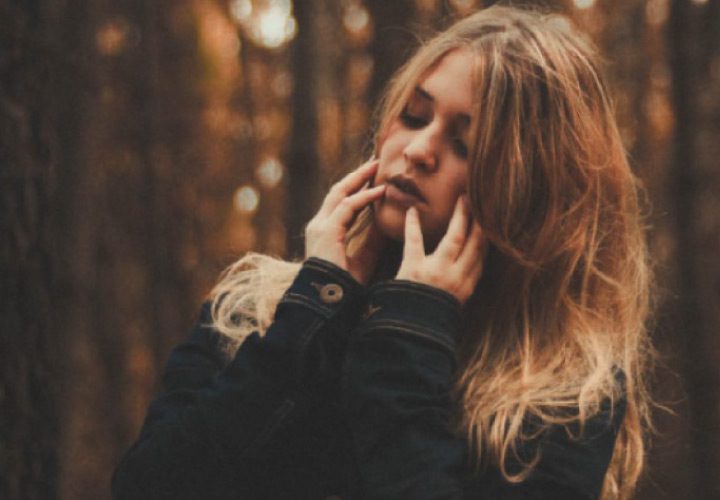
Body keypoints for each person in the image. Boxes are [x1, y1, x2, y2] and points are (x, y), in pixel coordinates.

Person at [112, 5, 654, 500]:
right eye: (414, 117)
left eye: (464, 144)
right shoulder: (252, 306)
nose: (417, 151)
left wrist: (408, 345)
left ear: (528, 192)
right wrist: (314, 310)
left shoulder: (562, 402)